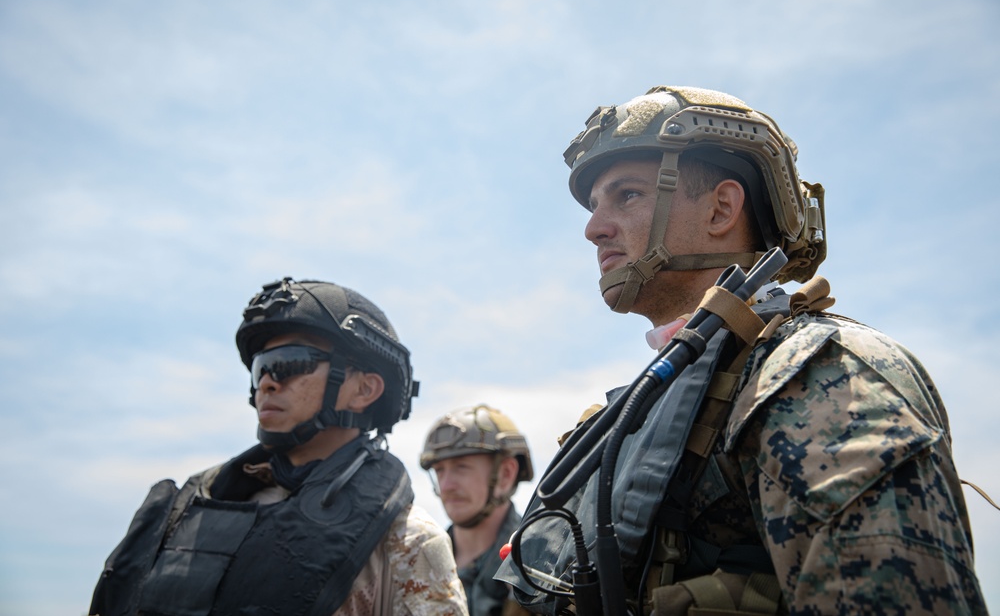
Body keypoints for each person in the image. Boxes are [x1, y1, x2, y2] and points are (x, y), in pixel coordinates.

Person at [497, 86, 987, 614]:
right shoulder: (639, 411)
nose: (594, 229)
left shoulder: (819, 373)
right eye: (595, 206)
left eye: (628, 195)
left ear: (721, 209)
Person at [89, 277, 469, 616]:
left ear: (364, 390)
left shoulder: (406, 541)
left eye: (289, 363)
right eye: (261, 368)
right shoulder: (189, 510)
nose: (267, 383)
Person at [420, 405, 535, 616]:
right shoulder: (417, 561)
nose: (446, 486)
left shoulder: (540, 566)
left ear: (505, 474)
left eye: (461, 467)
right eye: (439, 470)